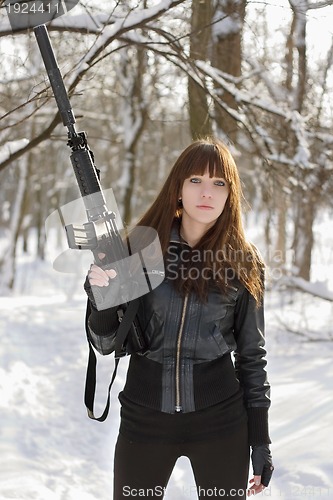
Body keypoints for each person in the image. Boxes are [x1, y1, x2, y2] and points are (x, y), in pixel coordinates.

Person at [84, 137, 274, 499]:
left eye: (219, 183)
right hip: (145, 419)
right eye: (196, 180)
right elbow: (106, 342)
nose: (207, 192)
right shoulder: (139, 249)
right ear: (179, 188)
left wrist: (260, 438)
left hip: (221, 421)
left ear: (230, 194)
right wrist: (102, 299)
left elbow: (252, 356)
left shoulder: (244, 262)